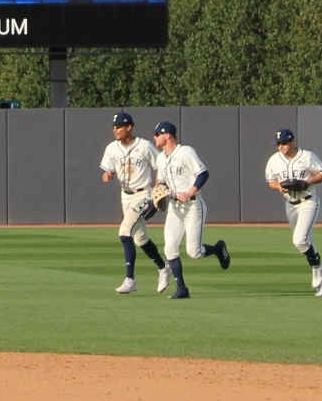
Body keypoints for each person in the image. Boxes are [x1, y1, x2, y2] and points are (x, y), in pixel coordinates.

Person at [148, 121, 229, 299]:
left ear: (167, 134)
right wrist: (158, 189)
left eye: (157, 134)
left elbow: (203, 173)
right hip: (175, 208)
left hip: (192, 205)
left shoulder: (185, 152)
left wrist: (190, 192)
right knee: (170, 247)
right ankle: (182, 289)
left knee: (194, 252)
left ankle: (218, 249)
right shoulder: (161, 158)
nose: (154, 137)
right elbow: (160, 181)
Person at [98, 110, 166, 293]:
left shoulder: (144, 146)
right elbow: (108, 169)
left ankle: (130, 279)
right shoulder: (112, 148)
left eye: (119, 126)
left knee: (125, 231)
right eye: (114, 127)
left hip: (143, 195)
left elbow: (160, 164)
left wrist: (159, 184)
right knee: (140, 239)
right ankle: (163, 267)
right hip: (125, 196)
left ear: (129, 127)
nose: (116, 130)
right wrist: (108, 174)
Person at [263, 127, 322, 295]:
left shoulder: (307, 156)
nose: (281, 146)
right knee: (307, 241)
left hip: (308, 202)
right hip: (290, 205)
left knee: (299, 240)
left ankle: (318, 268)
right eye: (278, 144)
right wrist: (279, 187)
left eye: (284, 143)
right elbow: (270, 181)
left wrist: (306, 182)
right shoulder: (274, 160)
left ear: (293, 141)